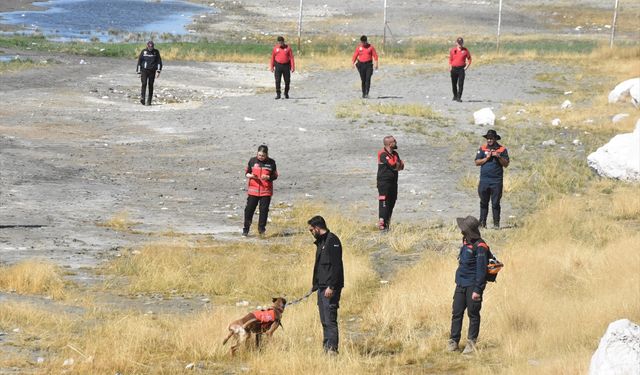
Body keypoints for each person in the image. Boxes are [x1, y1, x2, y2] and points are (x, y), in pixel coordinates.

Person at [448, 215, 490, 355]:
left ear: (469, 231)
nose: (461, 231)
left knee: (473, 314)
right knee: (457, 313)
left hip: (473, 286)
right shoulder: (466, 241)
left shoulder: (481, 247)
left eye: (464, 229)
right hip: (460, 284)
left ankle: (471, 343)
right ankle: (453, 341)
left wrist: (478, 290)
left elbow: (481, 271)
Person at [308, 215, 344, 354]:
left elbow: (337, 267)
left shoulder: (332, 241)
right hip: (321, 287)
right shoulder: (321, 242)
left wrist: (332, 287)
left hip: (330, 288)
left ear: (317, 228)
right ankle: (326, 348)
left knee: (330, 319)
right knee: (324, 320)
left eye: (311, 230)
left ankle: (332, 350)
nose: (311, 233)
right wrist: (315, 285)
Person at [474, 129, 509, 229]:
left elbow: (506, 164)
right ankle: (482, 224)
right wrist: (487, 158)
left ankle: (496, 224)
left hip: (496, 181)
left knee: (495, 203)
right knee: (483, 202)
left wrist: (498, 156)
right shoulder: (482, 149)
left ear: (495, 139)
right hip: (484, 180)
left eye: (491, 138)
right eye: (488, 138)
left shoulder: (502, 149)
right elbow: (476, 162)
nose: (489, 140)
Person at [243, 145, 278, 236]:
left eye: (263, 155)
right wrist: (251, 176)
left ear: (266, 155)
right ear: (257, 153)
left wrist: (268, 177)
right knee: (249, 210)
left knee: (264, 211)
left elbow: (275, 176)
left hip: (265, 191)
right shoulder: (252, 160)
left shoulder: (271, 162)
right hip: (253, 191)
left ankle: (261, 231)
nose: (261, 157)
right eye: (259, 155)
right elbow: (247, 173)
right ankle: (246, 230)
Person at [377, 135, 404, 231]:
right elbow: (393, 165)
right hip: (383, 182)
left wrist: (397, 164)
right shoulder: (382, 153)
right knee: (384, 201)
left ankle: (387, 224)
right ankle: (382, 224)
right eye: (394, 141)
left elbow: (401, 166)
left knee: (392, 201)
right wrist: (397, 164)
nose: (396, 142)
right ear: (389, 143)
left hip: (393, 182)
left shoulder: (395, 154)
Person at [136, 40, 162, 106]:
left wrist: (158, 71)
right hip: (144, 71)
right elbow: (139, 61)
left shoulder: (156, 52)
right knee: (144, 84)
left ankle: (149, 100)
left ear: (153, 46)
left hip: (152, 71)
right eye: (149, 46)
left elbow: (159, 62)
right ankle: (142, 98)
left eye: (152, 46)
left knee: (150, 85)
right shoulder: (143, 51)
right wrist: (138, 72)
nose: (150, 47)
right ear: (147, 46)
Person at [449, 37, 472, 102]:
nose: (460, 44)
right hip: (453, 69)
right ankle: (455, 96)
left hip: (461, 69)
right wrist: (450, 67)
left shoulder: (465, 50)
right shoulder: (453, 50)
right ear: (456, 43)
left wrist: (466, 67)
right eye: (459, 43)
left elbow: (469, 59)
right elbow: (450, 59)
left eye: (461, 43)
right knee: (454, 84)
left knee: (460, 84)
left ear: (462, 43)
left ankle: (459, 97)